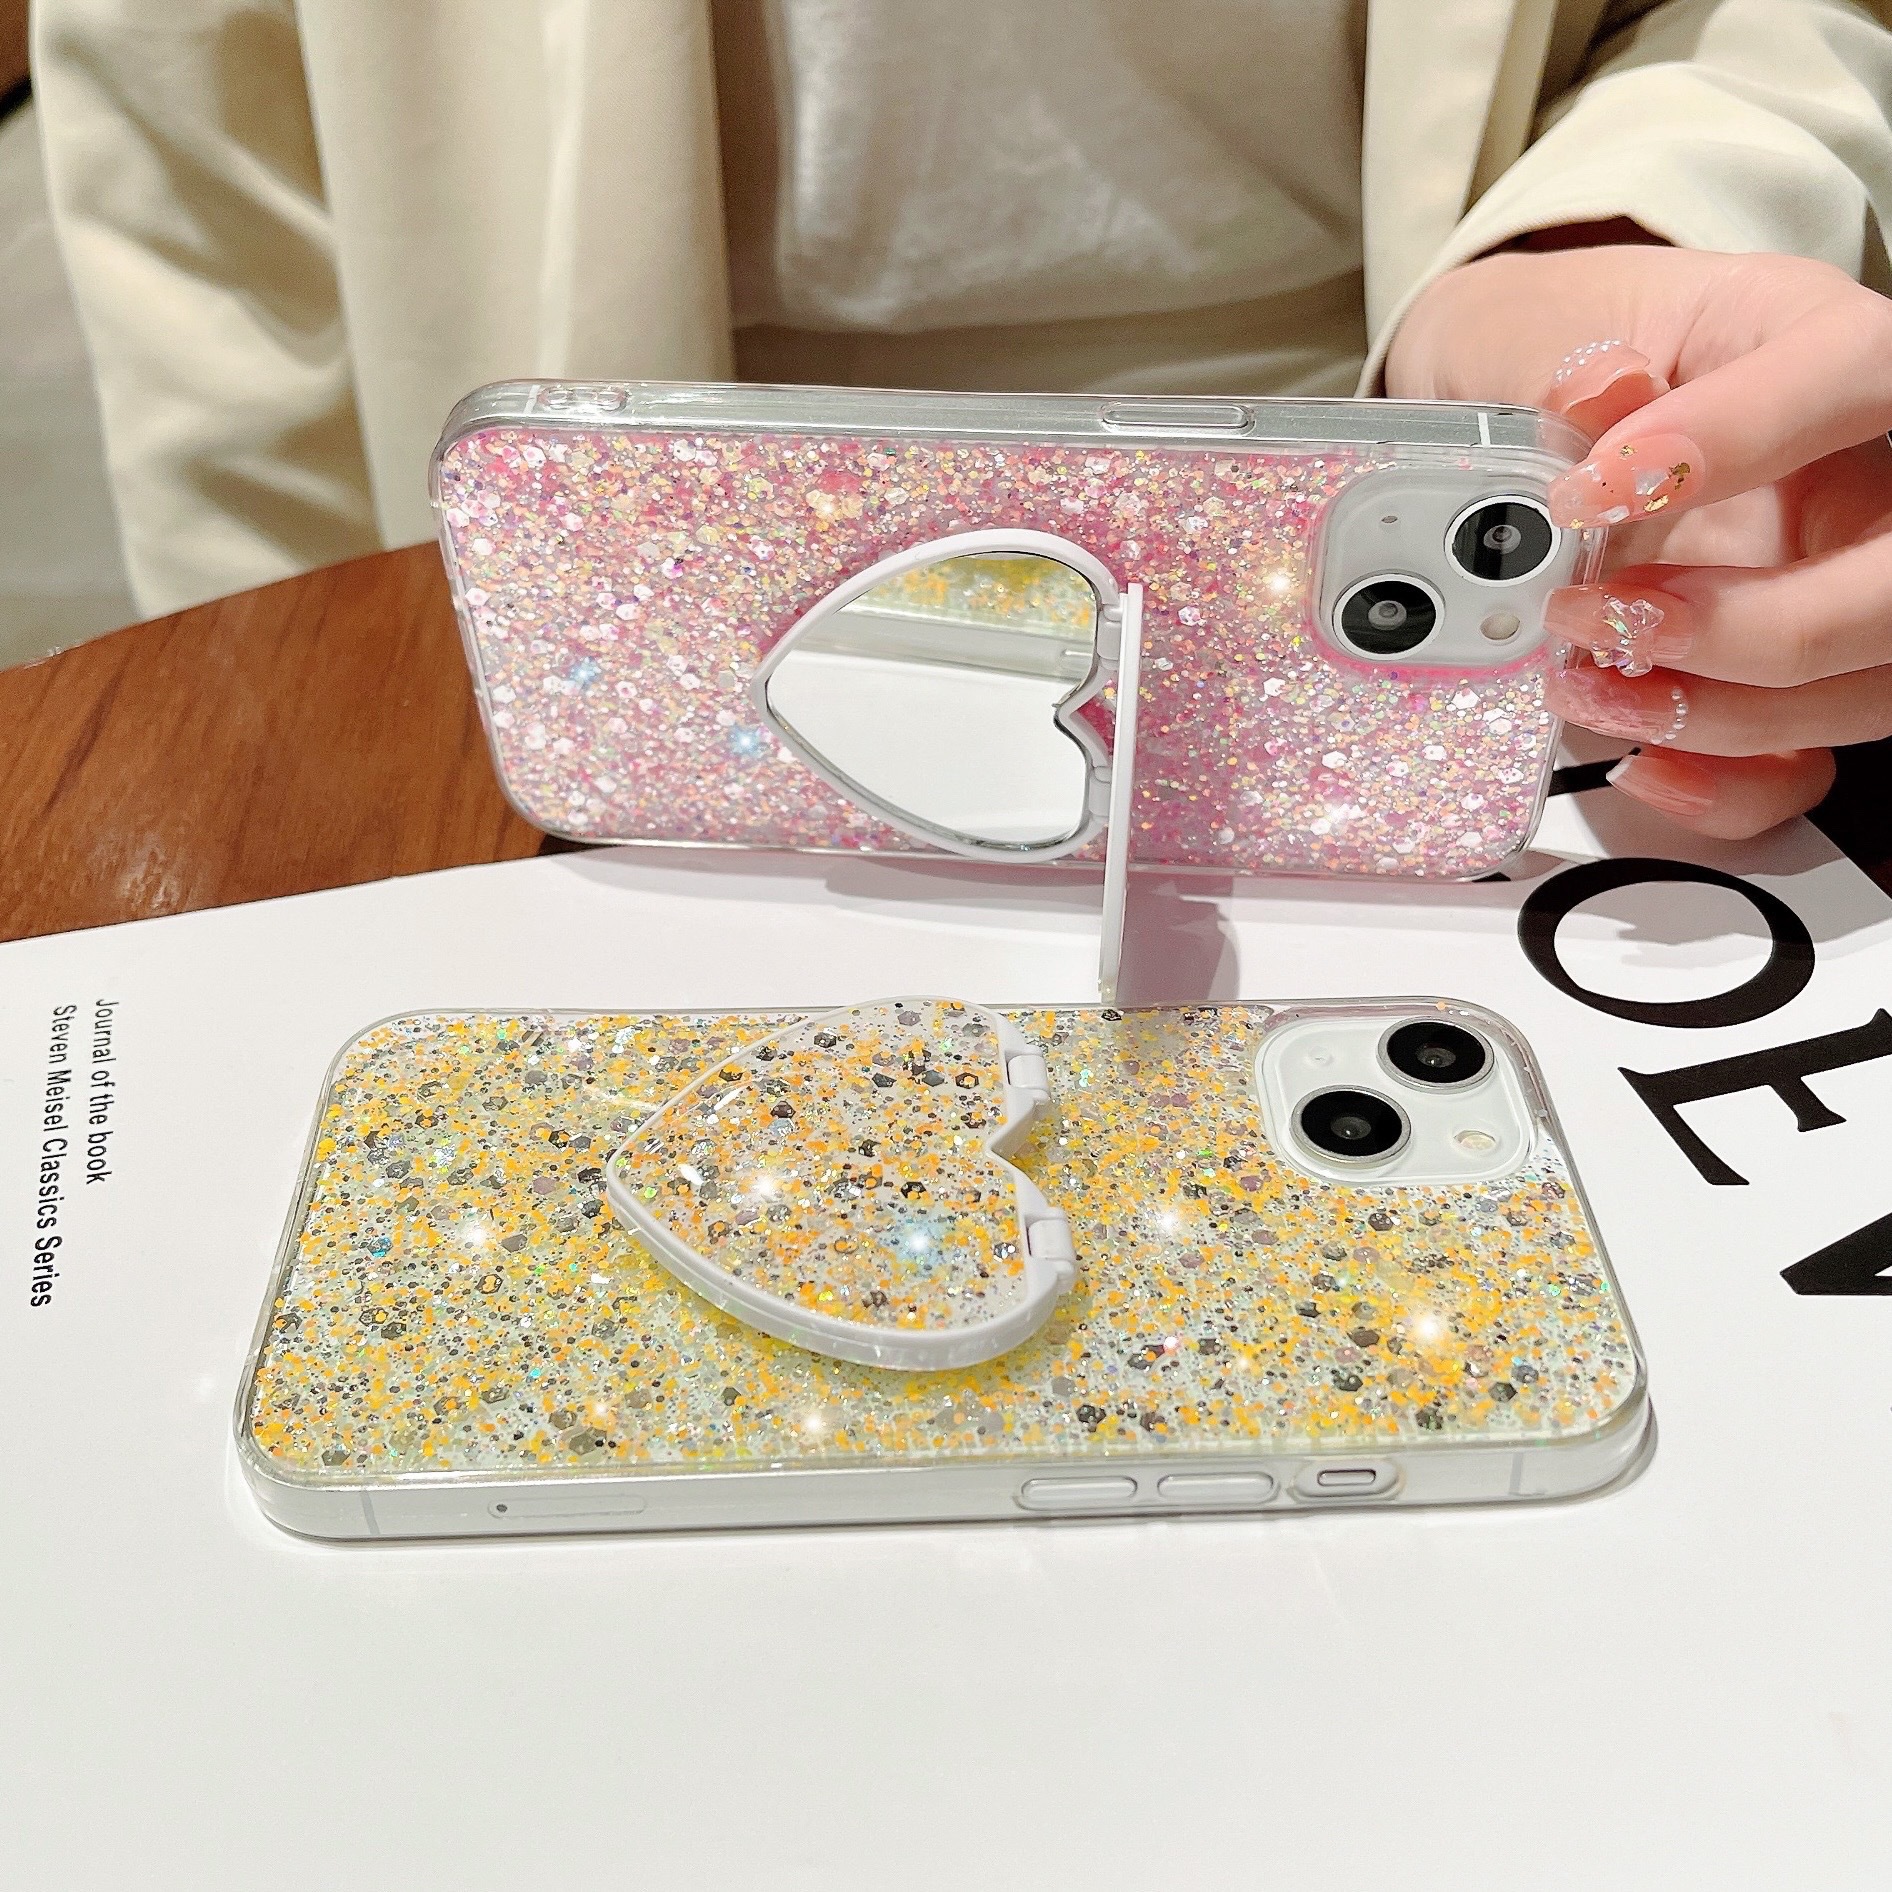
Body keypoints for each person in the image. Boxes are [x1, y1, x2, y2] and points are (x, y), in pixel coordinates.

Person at [31, 0, 1892, 839]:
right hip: (613, 546)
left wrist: (1584, 252)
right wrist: (288, 712)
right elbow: (208, 154)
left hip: (1381, 453)